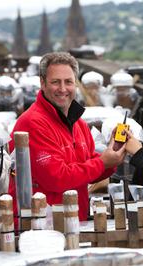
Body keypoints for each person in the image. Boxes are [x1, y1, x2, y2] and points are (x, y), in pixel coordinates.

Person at [8, 52, 126, 221]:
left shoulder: (78, 123)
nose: (63, 89)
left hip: (73, 222)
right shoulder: (33, 123)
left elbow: (89, 167)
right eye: (55, 82)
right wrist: (103, 162)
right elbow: (56, 178)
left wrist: (113, 155)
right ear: (42, 83)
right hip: (40, 226)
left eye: (68, 82)